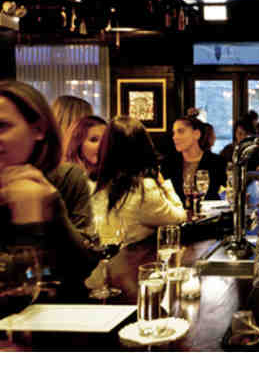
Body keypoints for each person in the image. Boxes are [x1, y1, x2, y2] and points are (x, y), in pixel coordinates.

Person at [0, 81, 97, 298]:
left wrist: (53, 207)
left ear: (38, 130)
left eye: (2, 126)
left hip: (58, 312)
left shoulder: (66, 178)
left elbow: (84, 267)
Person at [90, 116, 186, 247]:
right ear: (144, 146)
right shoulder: (143, 189)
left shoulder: (97, 184)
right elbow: (179, 217)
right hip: (133, 258)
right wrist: (165, 184)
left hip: (107, 256)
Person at [162, 108, 227, 203]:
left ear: (196, 134)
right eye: (174, 133)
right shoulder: (169, 163)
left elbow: (223, 195)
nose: (174, 137)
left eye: (180, 131)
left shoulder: (217, 162)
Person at [63, 115, 107, 180]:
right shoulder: (66, 177)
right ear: (78, 144)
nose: (102, 145)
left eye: (105, 139)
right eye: (94, 140)